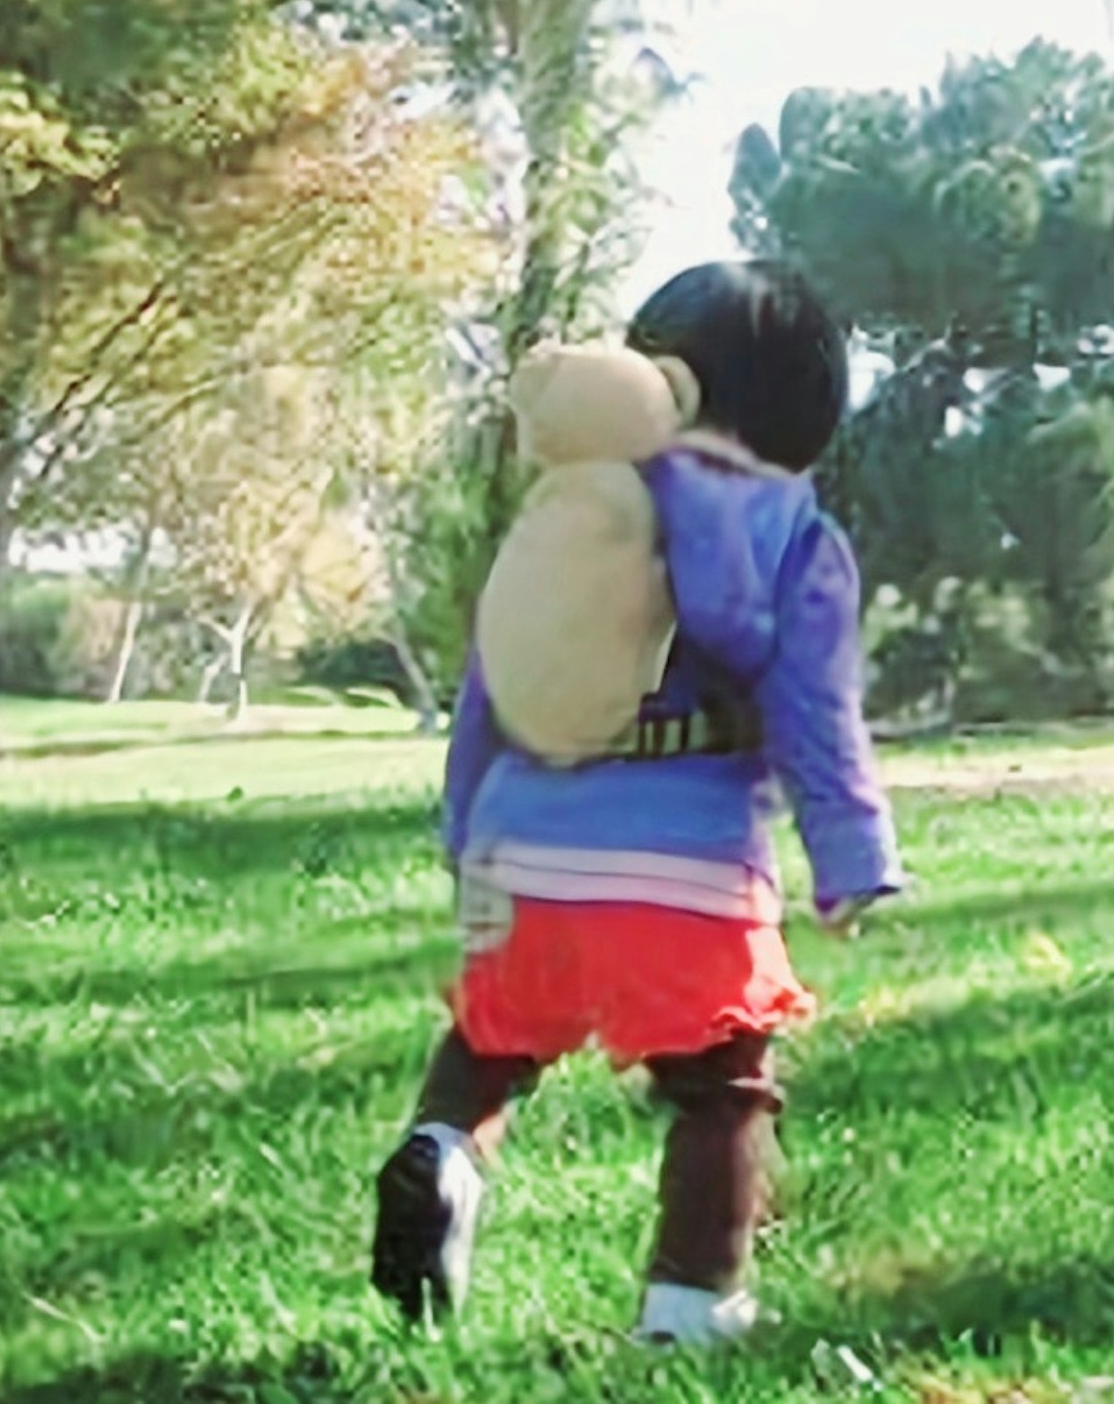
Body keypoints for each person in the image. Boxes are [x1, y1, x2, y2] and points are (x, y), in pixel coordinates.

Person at [370, 260, 905, 1349]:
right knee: (724, 1087)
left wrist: (468, 838)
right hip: (685, 873)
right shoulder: (796, 536)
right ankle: (689, 1310)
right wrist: (852, 857)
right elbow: (815, 712)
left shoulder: (569, 512)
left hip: (526, 852)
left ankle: (442, 1152)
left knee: (487, 1044)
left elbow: (495, 685)